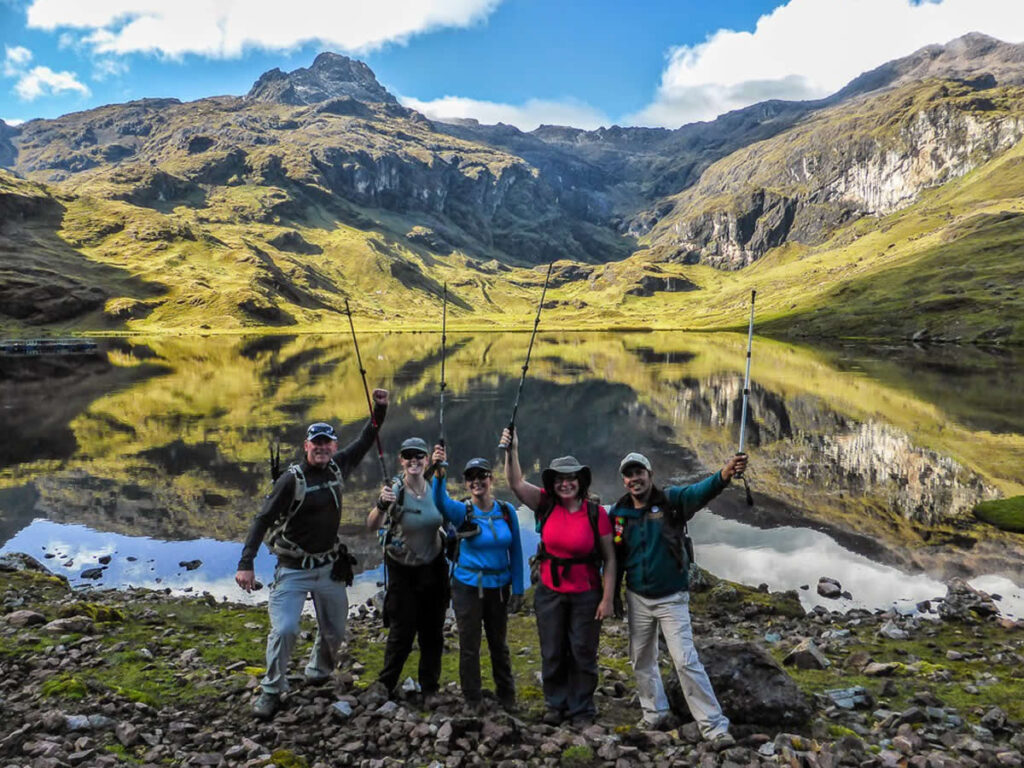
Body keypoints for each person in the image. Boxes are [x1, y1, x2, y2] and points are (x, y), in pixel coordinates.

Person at [235, 388, 389, 720]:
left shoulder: (338, 466)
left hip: (329, 566)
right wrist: (246, 563)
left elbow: (367, 437)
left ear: (333, 446)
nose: (321, 448)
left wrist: (380, 408)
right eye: (315, 443)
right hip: (292, 569)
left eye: (326, 443)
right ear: (306, 446)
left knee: (335, 628)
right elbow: (262, 519)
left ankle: (318, 672)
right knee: (286, 629)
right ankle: (271, 690)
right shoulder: (290, 480)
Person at [608, 450, 747, 746]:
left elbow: (703, 490)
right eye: (629, 475)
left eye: (639, 473)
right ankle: (654, 712)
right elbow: (612, 555)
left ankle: (713, 725)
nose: (635, 479)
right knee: (641, 658)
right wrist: (611, 596)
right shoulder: (618, 514)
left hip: (673, 598)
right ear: (624, 481)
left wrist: (725, 473)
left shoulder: (672, 501)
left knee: (684, 660)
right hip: (637, 598)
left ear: (650, 474)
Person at [500, 427, 615, 727]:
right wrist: (512, 450)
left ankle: (582, 709)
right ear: (553, 483)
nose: (565, 484)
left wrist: (607, 598)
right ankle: (555, 704)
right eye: (560, 479)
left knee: (583, 651)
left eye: (571, 479)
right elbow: (514, 482)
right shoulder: (545, 504)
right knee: (551, 649)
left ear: (580, 482)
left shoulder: (595, 513)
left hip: (586, 592)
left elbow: (610, 558)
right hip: (550, 591)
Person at [431, 447, 524, 713]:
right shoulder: (462, 512)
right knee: (469, 645)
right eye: (470, 477)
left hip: (499, 588)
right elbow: (440, 502)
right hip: (468, 587)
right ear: (466, 483)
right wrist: (439, 471)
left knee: (499, 644)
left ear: (491, 479)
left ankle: (507, 696)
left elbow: (516, 551)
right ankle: (472, 699)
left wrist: (517, 589)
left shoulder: (507, 512)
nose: (476, 481)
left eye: (481, 475)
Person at [368, 436, 449, 706]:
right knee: (402, 630)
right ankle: (385, 683)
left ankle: (430, 688)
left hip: (434, 567)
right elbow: (372, 524)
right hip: (402, 569)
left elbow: (448, 514)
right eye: (408, 456)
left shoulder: (436, 487)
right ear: (401, 460)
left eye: (419, 456)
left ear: (426, 460)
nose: (413, 461)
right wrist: (381, 504)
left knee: (432, 631)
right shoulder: (394, 489)